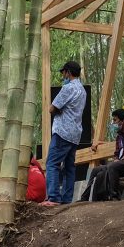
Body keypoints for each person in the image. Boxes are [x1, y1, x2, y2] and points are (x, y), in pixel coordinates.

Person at [43, 60, 87, 205]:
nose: (63, 75)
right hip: (75, 134)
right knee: (69, 167)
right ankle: (67, 199)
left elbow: (51, 108)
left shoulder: (67, 88)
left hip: (62, 131)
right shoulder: (82, 90)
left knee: (52, 163)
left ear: (68, 72)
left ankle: (54, 197)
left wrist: (58, 109)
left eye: (63, 72)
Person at [81, 109, 124, 201]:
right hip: (121, 163)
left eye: (115, 120)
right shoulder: (119, 136)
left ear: (122, 121)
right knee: (96, 170)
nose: (113, 123)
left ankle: (114, 196)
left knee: (112, 166)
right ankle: (86, 197)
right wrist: (116, 158)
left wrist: (119, 160)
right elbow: (116, 153)